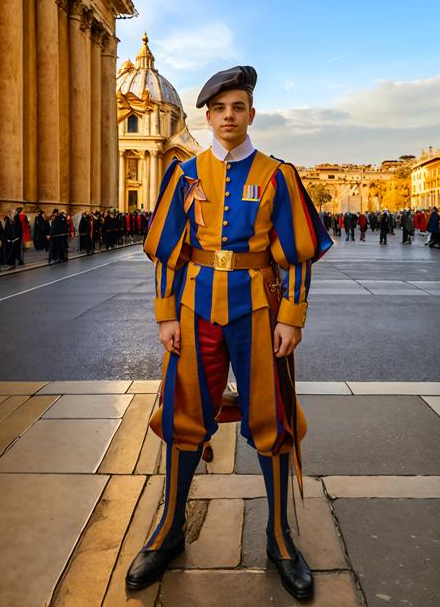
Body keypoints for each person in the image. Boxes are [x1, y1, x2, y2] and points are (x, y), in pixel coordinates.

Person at [125, 65, 333, 600]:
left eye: (237, 107)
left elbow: (299, 252)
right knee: (183, 415)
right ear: (208, 116)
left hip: (260, 311)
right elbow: (167, 248)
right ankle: (170, 529)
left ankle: (280, 537)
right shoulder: (185, 173)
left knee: (273, 418)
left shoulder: (277, 174)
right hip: (195, 309)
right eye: (219, 109)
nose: (228, 117)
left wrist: (293, 315)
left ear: (251, 114)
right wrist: (165, 314)